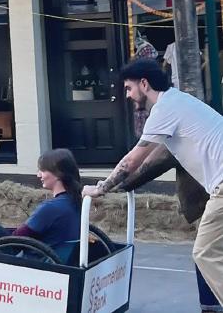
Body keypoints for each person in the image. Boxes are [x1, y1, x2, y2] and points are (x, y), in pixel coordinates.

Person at [82, 58, 223, 305]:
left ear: (144, 84)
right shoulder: (178, 101)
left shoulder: (164, 109)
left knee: (205, 252)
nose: (127, 95)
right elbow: (151, 159)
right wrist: (124, 185)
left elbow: (133, 161)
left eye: (129, 88)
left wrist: (102, 188)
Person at [0, 148, 81, 248]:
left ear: (58, 174)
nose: (38, 175)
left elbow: (18, 237)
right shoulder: (74, 202)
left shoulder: (51, 208)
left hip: (31, 260)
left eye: (43, 170)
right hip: (48, 254)